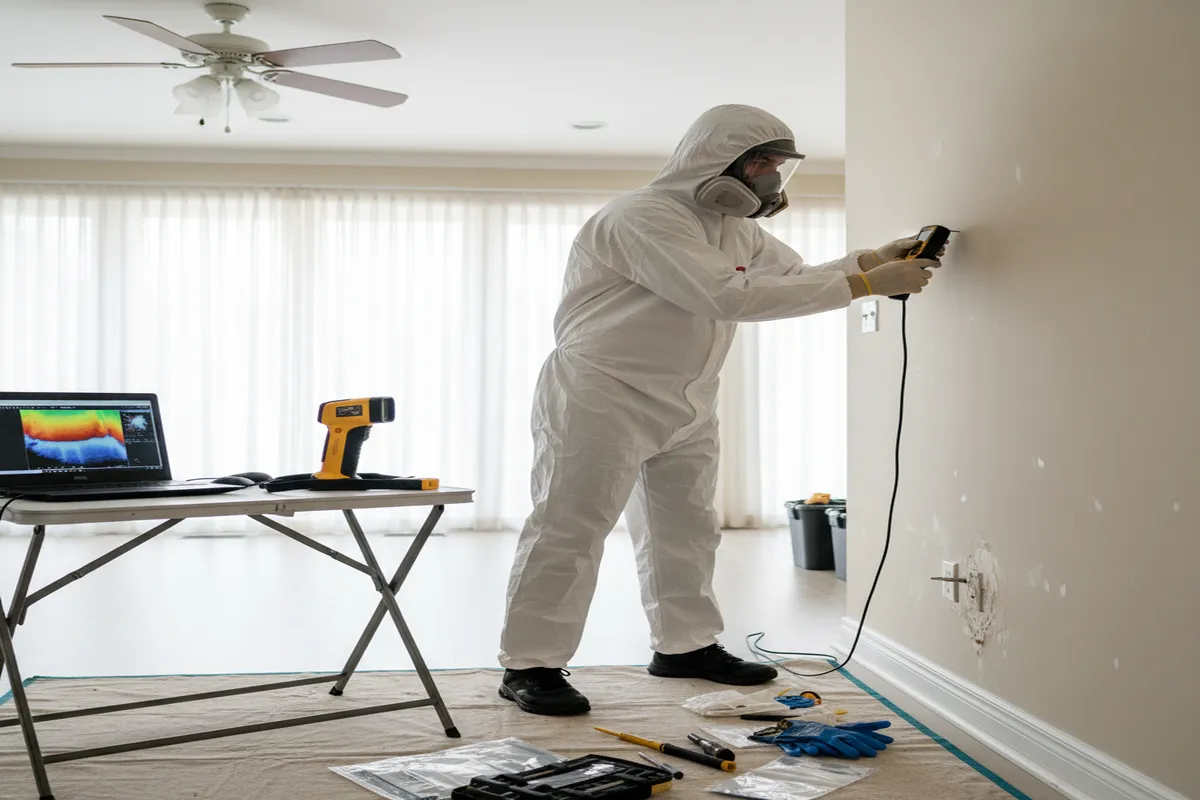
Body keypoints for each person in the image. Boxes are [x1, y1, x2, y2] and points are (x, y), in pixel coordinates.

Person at [497, 104, 938, 716]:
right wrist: (864, 285)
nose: (770, 178)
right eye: (760, 163)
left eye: (778, 165)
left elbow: (795, 275)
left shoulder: (737, 229)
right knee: (569, 527)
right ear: (715, 159)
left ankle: (685, 646)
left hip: (687, 398)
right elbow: (723, 294)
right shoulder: (641, 217)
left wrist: (867, 260)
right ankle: (531, 664)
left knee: (688, 528)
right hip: (600, 393)